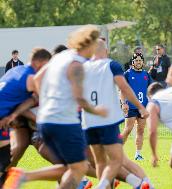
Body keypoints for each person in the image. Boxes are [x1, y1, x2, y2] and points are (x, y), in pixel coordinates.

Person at [3, 25, 107, 189]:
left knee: (72, 167)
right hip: (60, 122)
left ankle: (102, 180)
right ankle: (23, 175)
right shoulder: (75, 64)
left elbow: (36, 85)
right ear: (89, 44)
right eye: (96, 44)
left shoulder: (60, 59)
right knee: (77, 165)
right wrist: (97, 112)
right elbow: (79, 98)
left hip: (46, 122)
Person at [82, 39, 151, 189]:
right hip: (107, 120)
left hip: (88, 121)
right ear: (106, 51)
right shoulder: (111, 65)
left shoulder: (83, 67)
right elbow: (124, 88)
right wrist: (141, 107)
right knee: (119, 160)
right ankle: (143, 184)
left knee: (100, 162)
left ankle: (128, 183)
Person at [0, 48, 52, 187]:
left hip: (4, 119)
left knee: (5, 159)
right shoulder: (31, 78)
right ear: (41, 63)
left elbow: (30, 101)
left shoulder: (15, 71)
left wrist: (13, 115)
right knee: (4, 161)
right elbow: (38, 99)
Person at [121, 53, 152, 160]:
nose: (138, 62)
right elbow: (122, 89)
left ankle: (138, 154)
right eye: (136, 60)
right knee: (127, 129)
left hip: (143, 107)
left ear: (143, 62)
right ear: (133, 62)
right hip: (131, 107)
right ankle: (117, 152)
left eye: (140, 60)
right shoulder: (127, 74)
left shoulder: (146, 75)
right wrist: (123, 103)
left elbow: (151, 90)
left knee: (141, 130)